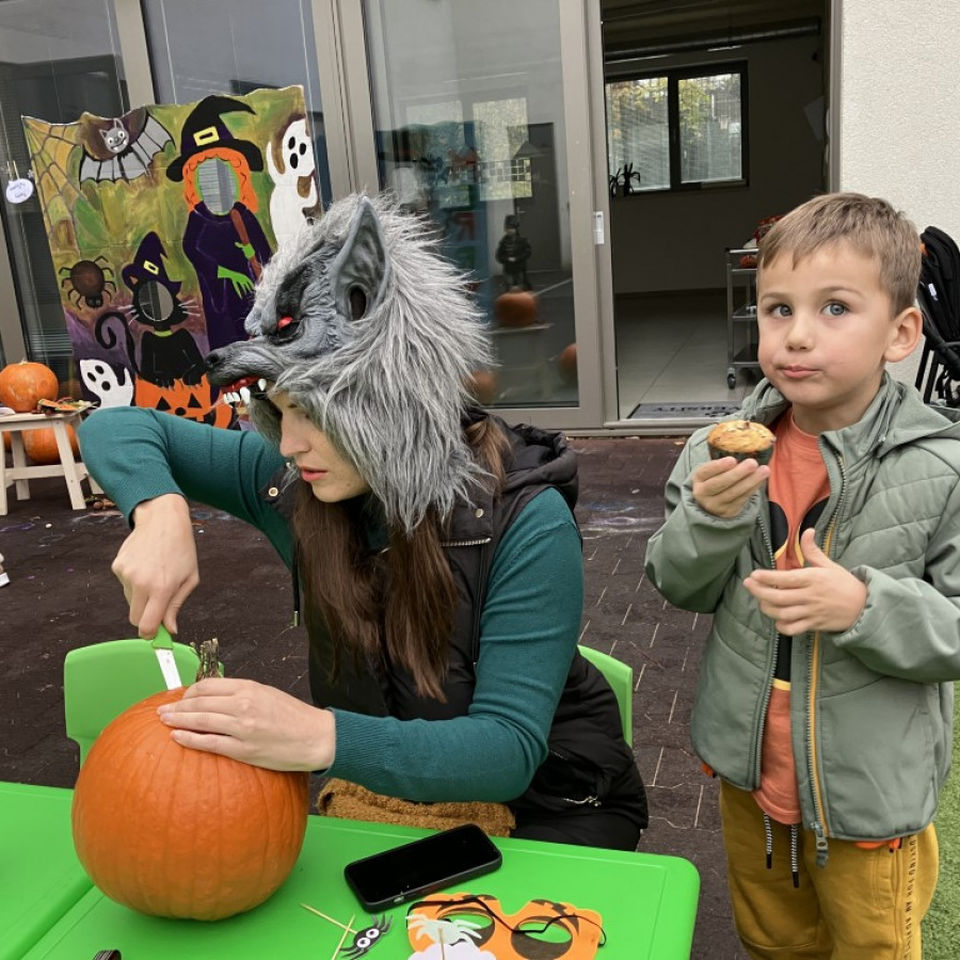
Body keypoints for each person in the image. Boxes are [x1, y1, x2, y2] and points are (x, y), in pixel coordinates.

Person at [78, 192, 646, 850]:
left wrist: (314, 736)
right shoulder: (291, 482)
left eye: (315, 414)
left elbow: (507, 749)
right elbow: (115, 427)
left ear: (395, 400)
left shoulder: (527, 519)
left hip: (553, 810)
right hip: (390, 803)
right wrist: (159, 509)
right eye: (280, 408)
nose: (288, 443)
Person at [644, 192, 960, 959]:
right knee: (772, 939)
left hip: (867, 795)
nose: (798, 335)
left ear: (901, 333)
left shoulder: (940, 469)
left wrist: (864, 605)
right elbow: (675, 583)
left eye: (835, 308)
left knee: (872, 945)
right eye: (777, 309)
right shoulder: (719, 450)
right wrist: (711, 521)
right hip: (750, 772)